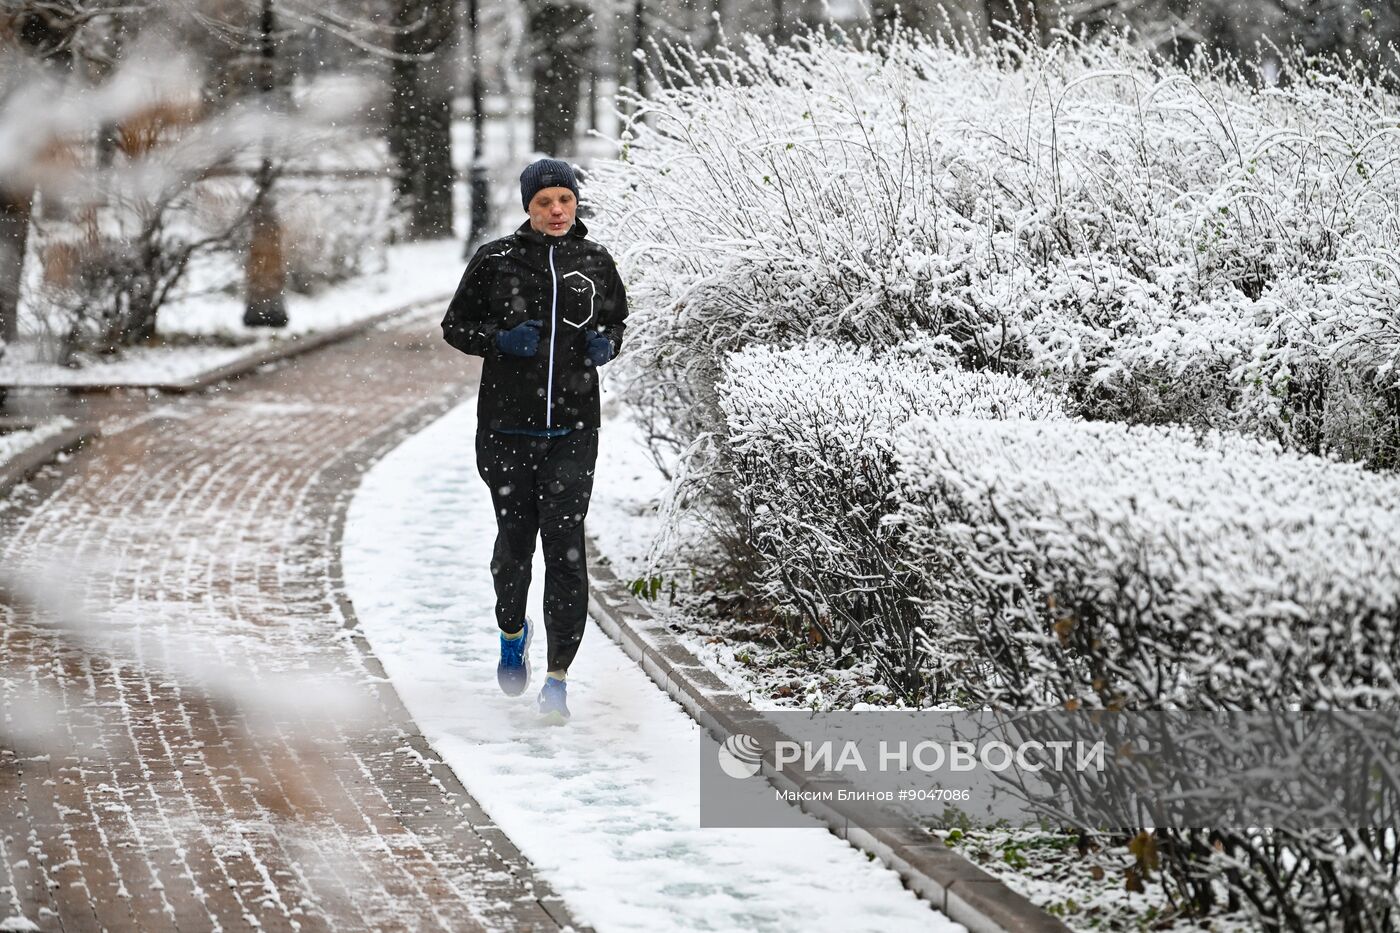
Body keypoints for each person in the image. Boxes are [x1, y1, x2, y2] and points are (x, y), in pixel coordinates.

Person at [440, 158, 628, 725]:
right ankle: (511, 631)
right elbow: (455, 325)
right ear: (528, 206)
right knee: (515, 547)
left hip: (574, 430)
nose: (555, 211)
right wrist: (501, 341)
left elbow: (617, 320)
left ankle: (557, 679)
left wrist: (607, 346)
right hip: (506, 431)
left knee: (566, 550)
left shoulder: (595, 261)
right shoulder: (497, 260)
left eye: (564, 201)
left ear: (575, 205)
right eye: (545, 201)